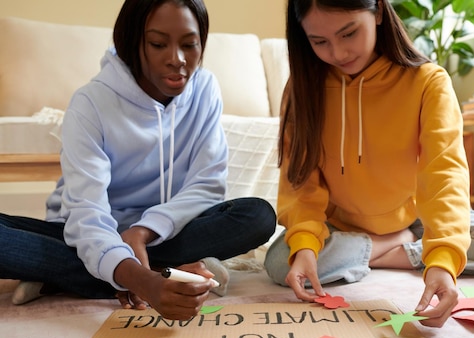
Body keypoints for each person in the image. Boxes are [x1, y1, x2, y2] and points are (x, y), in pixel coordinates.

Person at [264, 0, 474, 327]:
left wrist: (443, 262)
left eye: (348, 33)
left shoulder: (428, 82)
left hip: (413, 215)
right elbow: (301, 184)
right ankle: (397, 246)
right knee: (282, 262)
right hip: (337, 223)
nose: (337, 52)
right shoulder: (301, 90)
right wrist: (306, 245)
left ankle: (395, 248)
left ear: (378, 11)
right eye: (319, 41)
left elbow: (444, 174)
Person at [0, 0, 276, 320]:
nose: (177, 59)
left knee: (257, 215)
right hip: (86, 232)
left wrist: (144, 230)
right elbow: (87, 215)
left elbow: (207, 184)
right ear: (133, 41)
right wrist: (144, 281)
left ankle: (82, 274)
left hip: (164, 233)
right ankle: (156, 271)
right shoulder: (90, 103)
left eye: (190, 44)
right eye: (158, 44)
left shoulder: (205, 89)